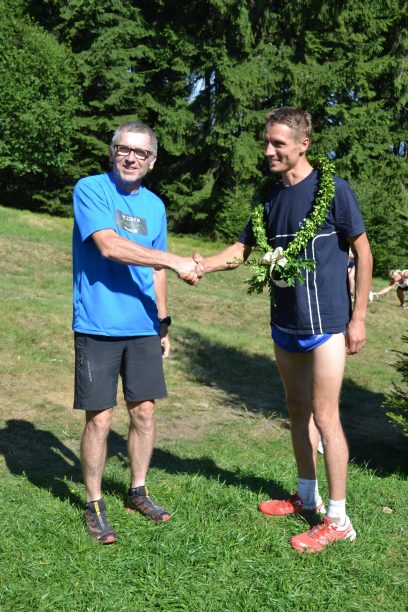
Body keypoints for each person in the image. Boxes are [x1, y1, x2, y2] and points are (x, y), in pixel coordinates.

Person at [196, 106, 372, 553]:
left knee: (326, 415)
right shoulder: (268, 197)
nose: (269, 150)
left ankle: (338, 519)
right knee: (296, 409)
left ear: (302, 145)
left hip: (327, 323)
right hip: (284, 323)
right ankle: (306, 495)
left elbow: (364, 253)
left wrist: (358, 318)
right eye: (267, 142)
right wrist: (201, 266)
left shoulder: (332, 191)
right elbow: (241, 250)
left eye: (278, 143)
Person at [72, 121, 202, 544]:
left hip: (143, 326)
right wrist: (175, 258)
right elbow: (109, 245)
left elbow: (156, 269)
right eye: (124, 149)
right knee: (101, 417)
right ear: (112, 152)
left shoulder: (155, 206)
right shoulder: (90, 189)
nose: (131, 157)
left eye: (140, 153)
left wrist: (162, 321)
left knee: (144, 411)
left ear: (152, 161)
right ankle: (94, 504)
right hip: (98, 323)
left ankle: (138, 490)